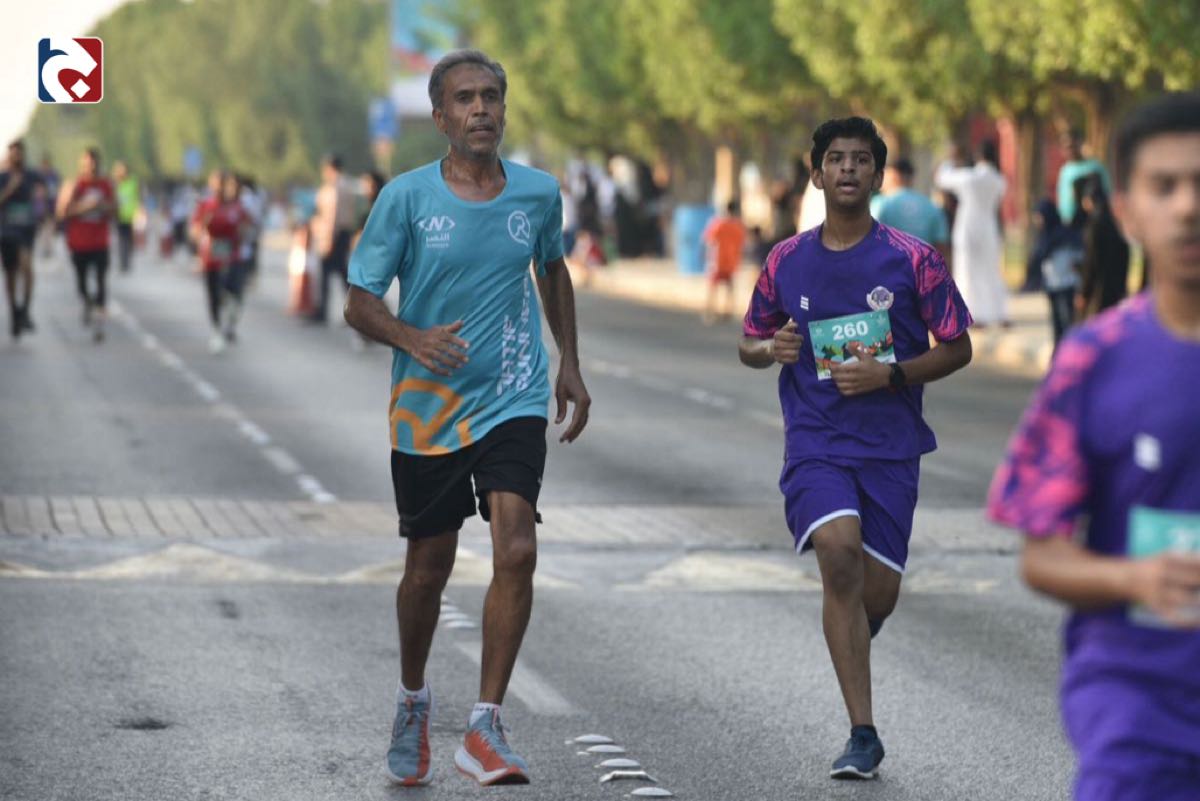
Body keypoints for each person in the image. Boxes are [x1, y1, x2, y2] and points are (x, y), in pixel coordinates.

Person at [343, 49, 591, 787]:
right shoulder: (406, 198)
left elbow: (552, 269)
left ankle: (484, 724)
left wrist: (568, 361)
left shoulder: (538, 194)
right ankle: (413, 698)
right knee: (428, 567)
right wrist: (412, 338)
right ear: (441, 116)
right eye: (465, 99)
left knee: (516, 547)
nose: (481, 109)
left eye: (491, 96)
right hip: (429, 407)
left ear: (503, 110)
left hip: (513, 394)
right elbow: (358, 302)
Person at [739, 116, 972, 781]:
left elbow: (958, 347)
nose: (848, 168)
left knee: (877, 596)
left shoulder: (914, 259)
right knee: (837, 552)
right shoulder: (786, 260)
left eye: (861, 159)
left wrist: (890, 374)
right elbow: (749, 342)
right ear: (816, 174)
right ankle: (863, 734)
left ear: (878, 174)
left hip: (890, 447)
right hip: (816, 441)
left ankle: (850, 640)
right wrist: (772, 347)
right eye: (836, 159)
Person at [987, 92, 1200, 801]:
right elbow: (1041, 554)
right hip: (1137, 716)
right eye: (1165, 186)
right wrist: (1136, 580)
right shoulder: (1093, 360)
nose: (1188, 206)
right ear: (1127, 212)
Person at [936, 140, 1010, 327]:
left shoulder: (969, 178)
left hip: (967, 226)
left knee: (967, 270)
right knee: (991, 271)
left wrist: (951, 159)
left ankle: (972, 314)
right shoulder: (999, 180)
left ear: (978, 156)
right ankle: (998, 313)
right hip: (989, 227)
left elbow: (942, 178)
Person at [57, 148, 114, 343]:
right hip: (79, 243)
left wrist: (102, 206)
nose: (91, 167)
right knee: (81, 284)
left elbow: (115, 208)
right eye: (87, 163)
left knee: (101, 281)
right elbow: (62, 212)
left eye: (94, 163)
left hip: (100, 242)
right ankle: (87, 301)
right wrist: (86, 206)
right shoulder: (74, 185)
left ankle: (99, 323)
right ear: (81, 164)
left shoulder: (106, 185)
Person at [192, 171, 251, 352]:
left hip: (232, 255)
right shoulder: (205, 205)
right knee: (214, 295)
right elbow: (195, 231)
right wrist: (202, 230)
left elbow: (246, 228)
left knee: (234, 292)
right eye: (215, 184)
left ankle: (230, 321)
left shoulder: (237, 207)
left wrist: (242, 234)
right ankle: (216, 329)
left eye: (222, 184)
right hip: (211, 256)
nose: (218, 189)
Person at [0, 140, 44, 339]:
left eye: (19, 152)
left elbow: (43, 193)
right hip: (8, 231)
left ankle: (25, 309)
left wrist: (42, 207)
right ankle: (14, 312)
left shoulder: (32, 175)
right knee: (10, 274)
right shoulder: (3, 177)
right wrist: (11, 188)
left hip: (26, 230)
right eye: (13, 153)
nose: (17, 156)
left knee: (26, 267)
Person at [870, 157, 950, 263]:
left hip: (888, 268)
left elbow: (869, 240)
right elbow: (941, 247)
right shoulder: (931, 206)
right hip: (922, 269)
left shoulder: (881, 203)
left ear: (894, 175)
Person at [1027, 199, 1083, 346]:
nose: (1037, 221)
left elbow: (1078, 257)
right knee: (1057, 326)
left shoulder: (1063, 235)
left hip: (1067, 286)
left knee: (1067, 324)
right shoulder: (1045, 236)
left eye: (1039, 217)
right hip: (1052, 286)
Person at [1075, 177, 1131, 320]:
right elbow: (1126, 254)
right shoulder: (1116, 222)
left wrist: (1084, 291)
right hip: (1117, 286)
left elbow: (1091, 260)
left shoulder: (1094, 224)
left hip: (1099, 289)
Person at [309, 154, 356, 323]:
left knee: (327, 273)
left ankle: (323, 310)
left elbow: (332, 215)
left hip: (333, 234)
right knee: (342, 273)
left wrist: (328, 239)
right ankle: (353, 308)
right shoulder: (347, 185)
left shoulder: (334, 187)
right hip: (343, 233)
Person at [702, 198, 746, 323]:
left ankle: (710, 311)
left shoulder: (718, 224)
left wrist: (707, 257)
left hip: (718, 261)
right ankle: (728, 311)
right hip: (731, 261)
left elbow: (709, 240)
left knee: (713, 287)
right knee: (729, 287)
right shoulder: (738, 226)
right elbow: (742, 244)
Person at [1056, 130, 1111, 228]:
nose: (1069, 150)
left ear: (1080, 143)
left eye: (1072, 146)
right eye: (1065, 147)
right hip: (1071, 225)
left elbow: (1108, 193)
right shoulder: (1065, 171)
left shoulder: (1095, 167)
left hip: (1093, 223)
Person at [112, 160, 140, 273]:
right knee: (121, 239)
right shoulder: (114, 183)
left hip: (131, 216)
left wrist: (138, 211)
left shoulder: (133, 182)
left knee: (129, 240)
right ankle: (123, 262)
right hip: (118, 215)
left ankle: (127, 259)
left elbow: (137, 196)